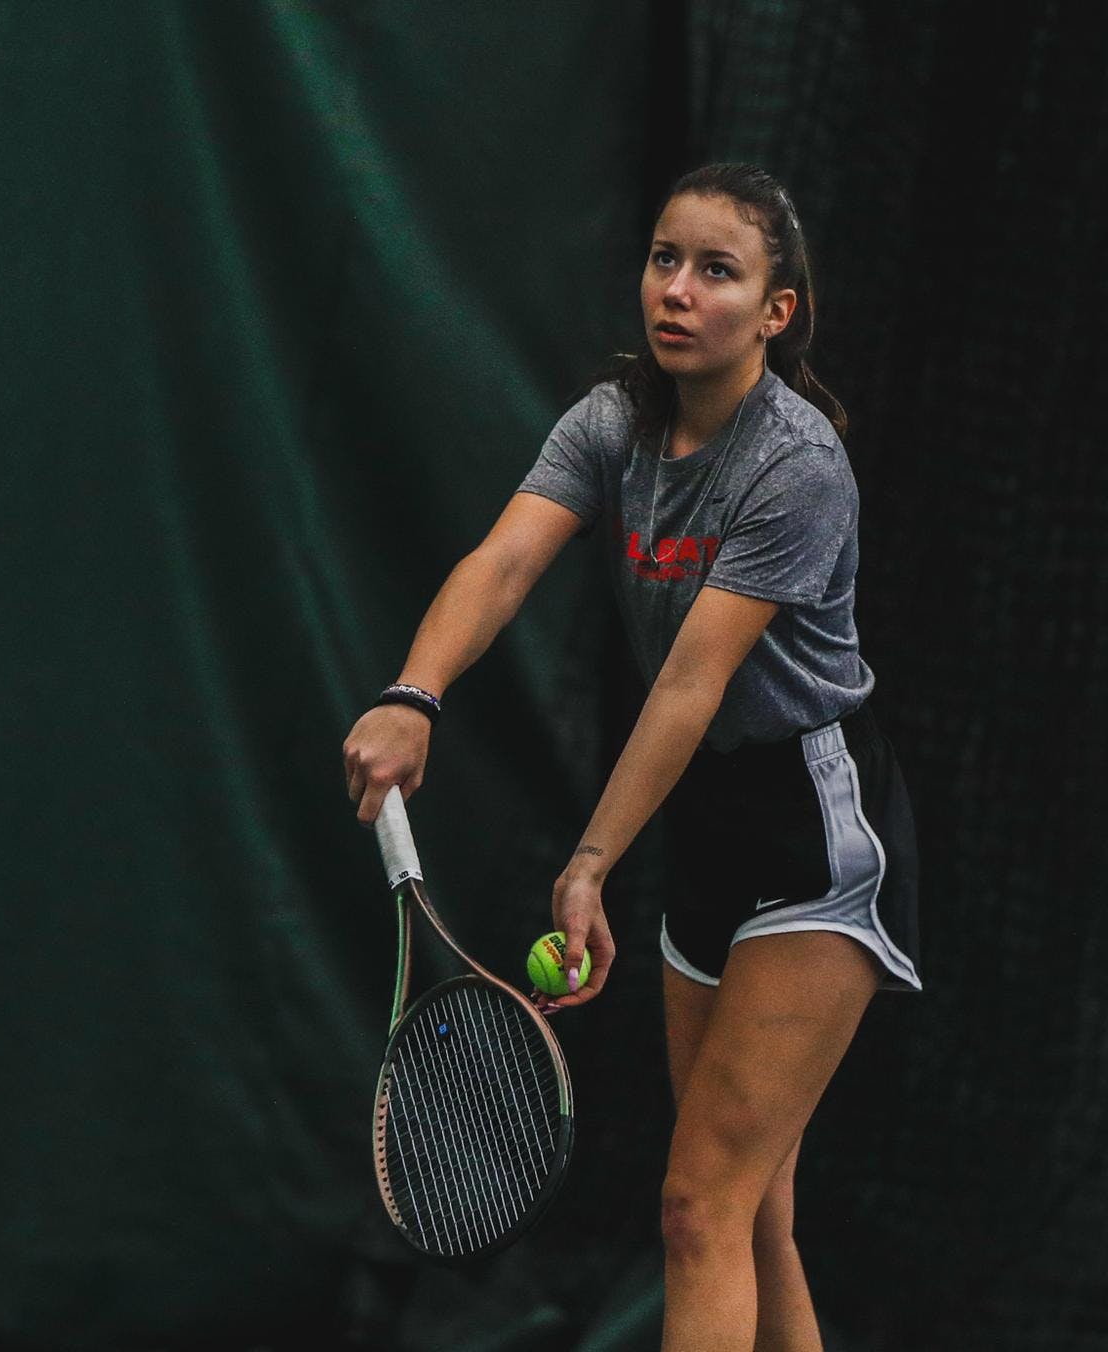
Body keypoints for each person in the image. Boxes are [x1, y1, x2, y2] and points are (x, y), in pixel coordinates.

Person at [340, 161, 922, 1352]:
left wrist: (592, 861)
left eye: (718, 271)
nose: (678, 290)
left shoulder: (796, 463)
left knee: (696, 1204)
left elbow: (693, 679)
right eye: (666, 259)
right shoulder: (612, 419)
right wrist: (416, 692)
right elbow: (503, 562)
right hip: (705, 824)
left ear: (776, 311)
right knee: (752, 1210)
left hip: (815, 833)